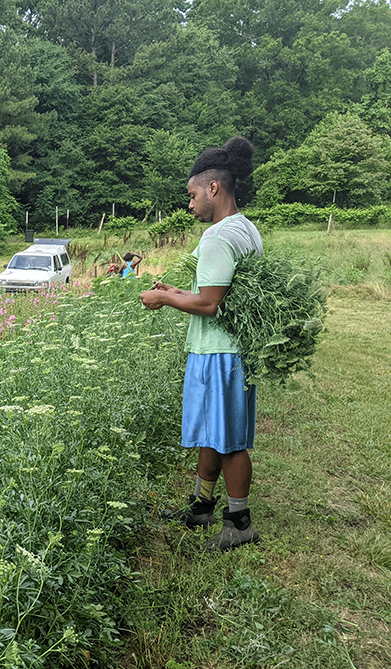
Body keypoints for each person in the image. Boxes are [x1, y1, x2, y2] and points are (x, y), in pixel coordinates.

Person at [140, 137, 263, 550]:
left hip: (219, 352)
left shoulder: (216, 237)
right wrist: (180, 290)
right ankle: (201, 506)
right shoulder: (246, 229)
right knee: (215, 432)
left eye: (192, 195)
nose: (190, 204)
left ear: (213, 188)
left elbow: (210, 302)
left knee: (229, 438)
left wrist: (163, 298)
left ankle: (239, 521)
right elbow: (218, 291)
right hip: (233, 348)